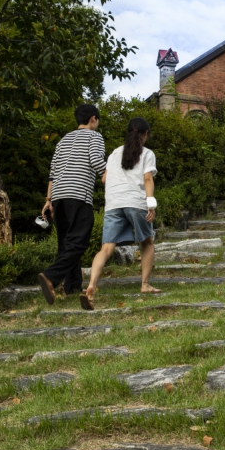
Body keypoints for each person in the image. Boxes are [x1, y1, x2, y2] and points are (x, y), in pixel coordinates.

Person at [81, 116, 160, 310]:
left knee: (106, 248)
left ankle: (91, 285)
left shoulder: (115, 153)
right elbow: (148, 179)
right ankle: (145, 285)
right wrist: (151, 204)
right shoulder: (147, 153)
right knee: (147, 242)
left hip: (113, 203)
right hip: (135, 202)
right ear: (145, 134)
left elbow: (104, 179)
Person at [37, 103, 106, 305]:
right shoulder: (95, 137)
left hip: (58, 196)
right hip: (78, 195)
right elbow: (96, 160)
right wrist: (110, 175)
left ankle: (71, 288)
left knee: (66, 243)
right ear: (93, 118)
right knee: (79, 242)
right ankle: (50, 276)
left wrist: (48, 201)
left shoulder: (63, 140)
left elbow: (53, 172)